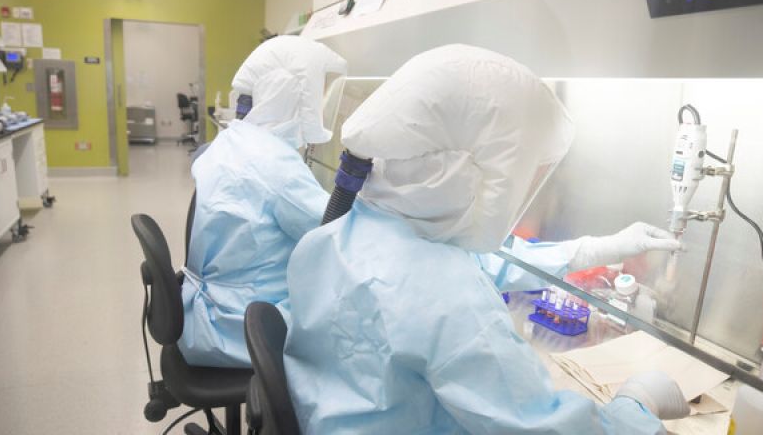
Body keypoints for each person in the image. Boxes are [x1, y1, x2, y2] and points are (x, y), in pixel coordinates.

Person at [284, 45, 690, 433]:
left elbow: (476, 263)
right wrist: (636, 405)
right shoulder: (449, 301)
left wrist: (592, 250)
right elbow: (544, 428)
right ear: (473, 171)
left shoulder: (340, 235)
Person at [180, 35, 346, 368]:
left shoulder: (232, 139)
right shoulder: (276, 166)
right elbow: (333, 232)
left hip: (204, 312)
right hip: (240, 330)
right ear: (299, 96)